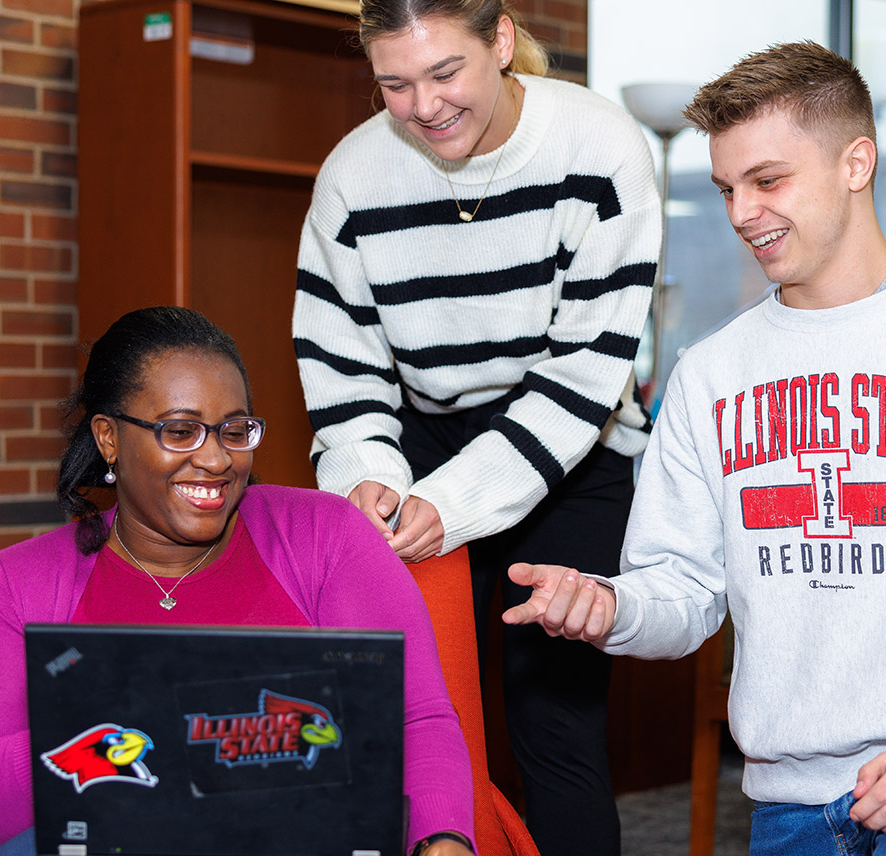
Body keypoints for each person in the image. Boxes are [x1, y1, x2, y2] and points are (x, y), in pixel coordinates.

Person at [501, 43, 886, 856]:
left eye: (768, 180)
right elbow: (684, 590)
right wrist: (612, 609)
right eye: (726, 188)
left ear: (857, 162)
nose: (742, 211)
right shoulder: (709, 374)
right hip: (788, 786)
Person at [0, 307, 474, 856]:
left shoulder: (327, 537)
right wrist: (110, 734)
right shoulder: (20, 584)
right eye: (180, 431)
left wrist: (442, 839)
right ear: (109, 438)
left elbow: (414, 718)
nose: (217, 459)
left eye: (233, 430)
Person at [290, 1, 661, 852]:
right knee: (419, 719)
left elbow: (581, 376)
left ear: (499, 41)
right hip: (419, 439)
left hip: (575, 443)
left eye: (445, 72)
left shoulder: (599, 151)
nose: (423, 106)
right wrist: (366, 484)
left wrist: (452, 505)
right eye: (394, 83)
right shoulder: (353, 174)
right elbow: (342, 362)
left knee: (554, 729)